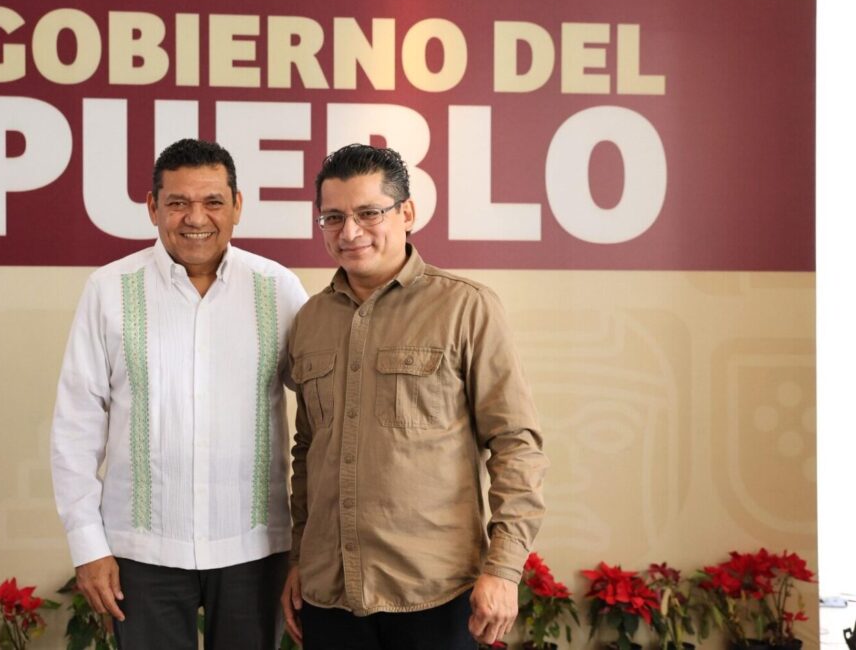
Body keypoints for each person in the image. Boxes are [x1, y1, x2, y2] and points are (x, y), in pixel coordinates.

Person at [280, 144, 548, 649]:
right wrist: (298, 557)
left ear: (406, 213)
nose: (349, 232)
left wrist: (504, 568)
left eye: (368, 213)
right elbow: (308, 451)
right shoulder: (310, 320)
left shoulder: (466, 308)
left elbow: (516, 444)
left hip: (436, 595)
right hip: (329, 596)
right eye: (333, 218)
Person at [51, 138, 309, 649]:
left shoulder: (278, 289)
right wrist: (87, 545)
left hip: (255, 550)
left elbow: (326, 407)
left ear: (237, 206)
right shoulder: (108, 290)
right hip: (142, 553)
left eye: (213, 201)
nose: (196, 218)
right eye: (177, 202)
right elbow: (75, 427)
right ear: (153, 207)